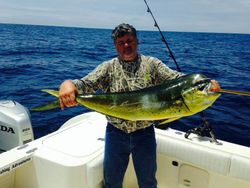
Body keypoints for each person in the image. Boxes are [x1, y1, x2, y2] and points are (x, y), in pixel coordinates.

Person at [59, 23, 220, 188]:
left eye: (130, 41)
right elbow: (84, 84)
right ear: (116, 46)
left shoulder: (152, 64)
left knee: (148, 182)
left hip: (145, 135)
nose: (126, 46)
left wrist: (204, 82)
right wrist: (68, 84)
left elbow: (177, 79)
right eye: (121, 43)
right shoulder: (108, 68)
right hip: (116, 134)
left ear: (137, 41)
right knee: (112, 182)